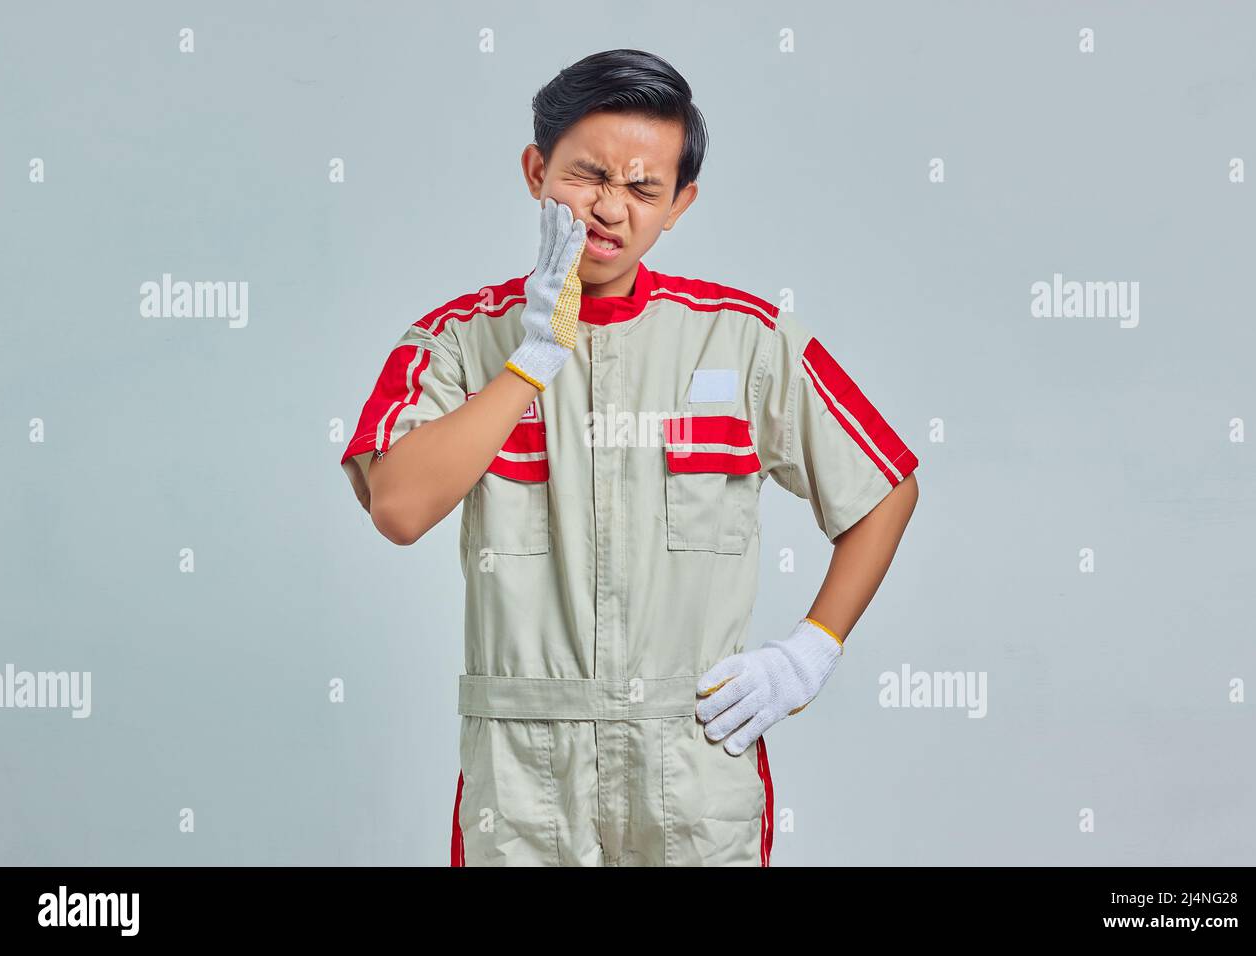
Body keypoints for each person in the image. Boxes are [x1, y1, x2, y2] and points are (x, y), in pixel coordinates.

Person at [339, 49, 920, 867]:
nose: (611, 208)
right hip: (524, 772)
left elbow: (886, 486)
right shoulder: (457, 340)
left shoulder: (744, 338)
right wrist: (529, 364)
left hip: (690, 762)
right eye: (587, 176)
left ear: (679, 204)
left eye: (644, 188)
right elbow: (397, 509)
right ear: (536, 169)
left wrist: (811, 650)